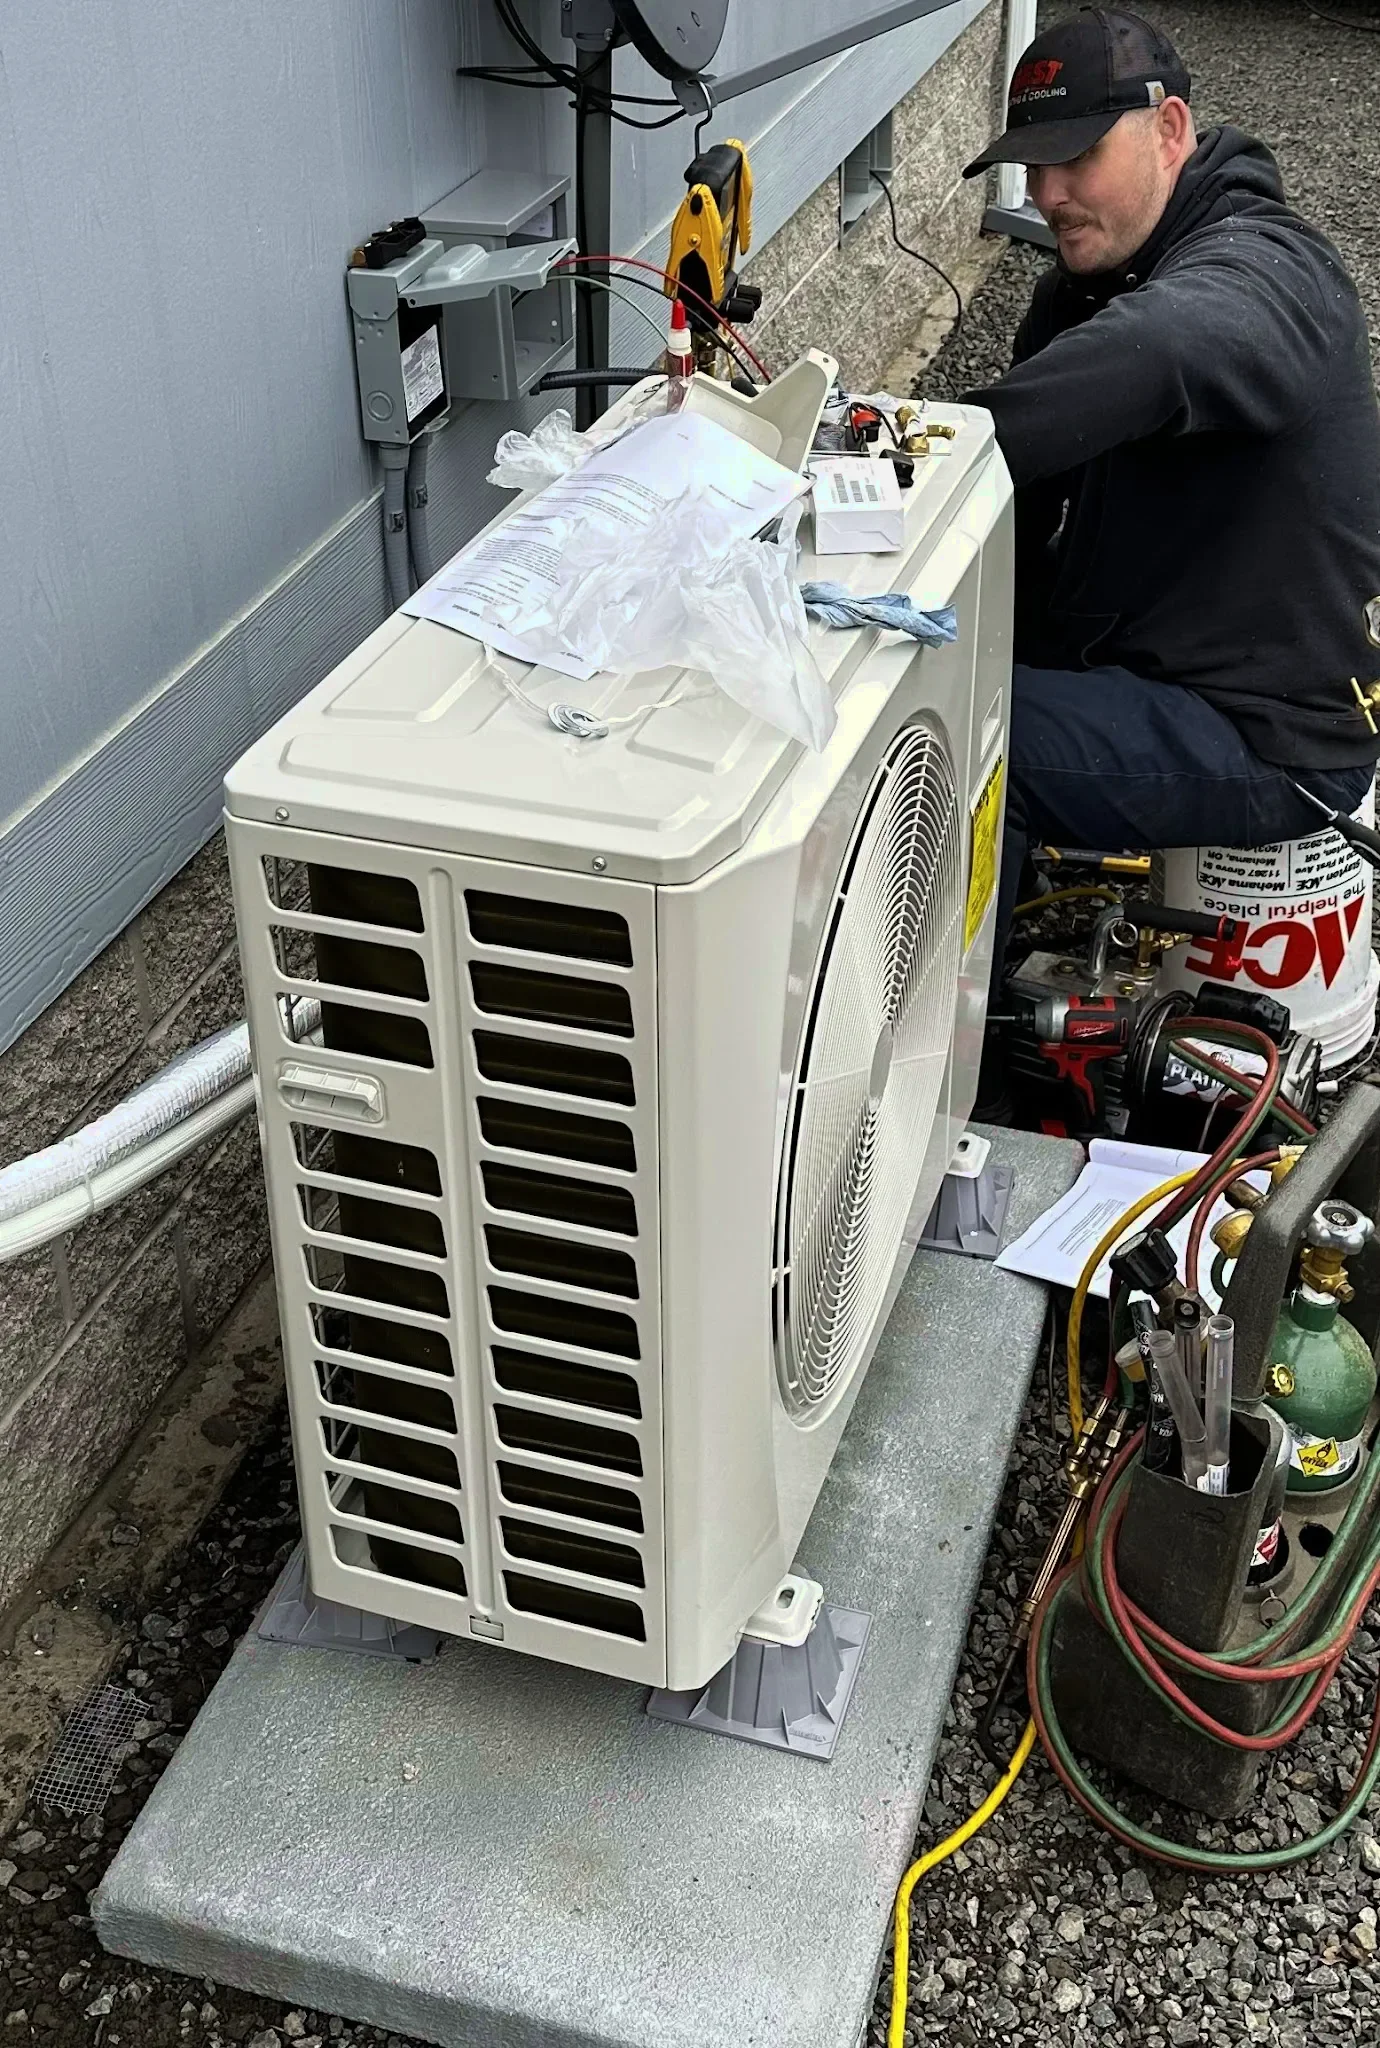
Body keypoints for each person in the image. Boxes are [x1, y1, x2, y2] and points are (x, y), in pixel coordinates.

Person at [958, 5, 1380, 1026]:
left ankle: (959, 1058)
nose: (1046, 195)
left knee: (964, 739)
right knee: (932, 676)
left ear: (1171, 130)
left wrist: (922, 451)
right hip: (1171, 655)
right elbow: (1018, 503)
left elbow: (1172, 345)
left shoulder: (1269, 272)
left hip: (1272, 734)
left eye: (1076, 158)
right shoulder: (1084, 288)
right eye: (1032, 167)